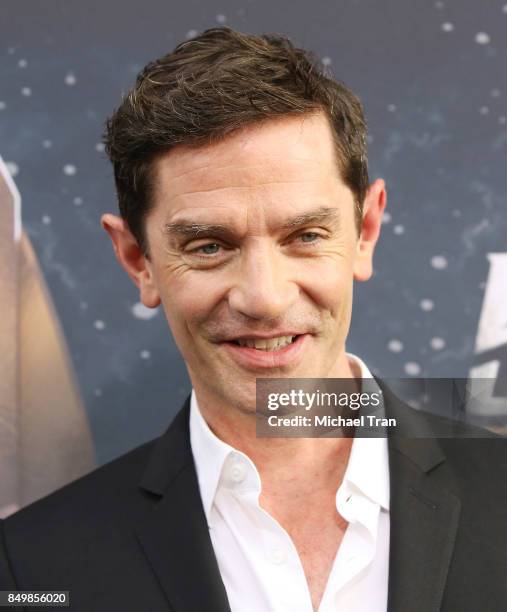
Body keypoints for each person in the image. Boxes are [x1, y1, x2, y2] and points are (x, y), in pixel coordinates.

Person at [1, 26, 505, 612]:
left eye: (306, 236)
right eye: (210, 246)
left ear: (365, 232)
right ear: (138, 260)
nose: (264, 298)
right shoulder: (31, 567)